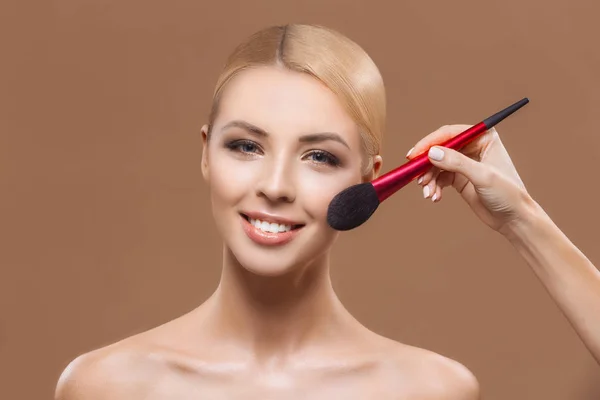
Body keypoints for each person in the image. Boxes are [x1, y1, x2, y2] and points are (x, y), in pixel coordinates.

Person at [54, 24, 599, 399]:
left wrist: (522, 219)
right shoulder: (103, 385)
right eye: (246, 146)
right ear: (205, 153)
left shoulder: (430, 390)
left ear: (371, 180)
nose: (274, 185)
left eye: (319, 156)